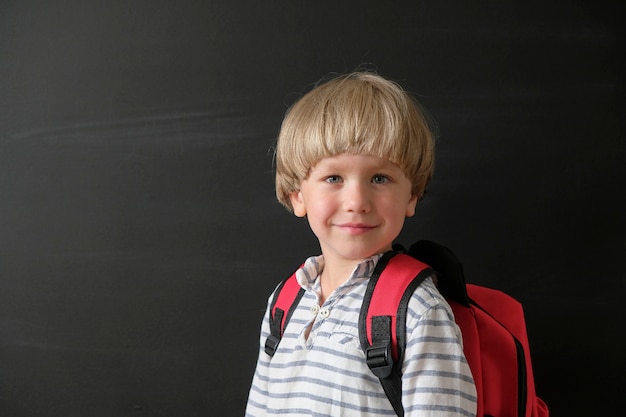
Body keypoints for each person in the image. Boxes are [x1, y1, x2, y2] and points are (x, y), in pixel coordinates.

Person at [245, 71, 477, 417]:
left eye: (380, 178)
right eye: (333, 177)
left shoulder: (416, 309)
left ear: (411, 196)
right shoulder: (285, 300)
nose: (357, 200)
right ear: (297, 196)